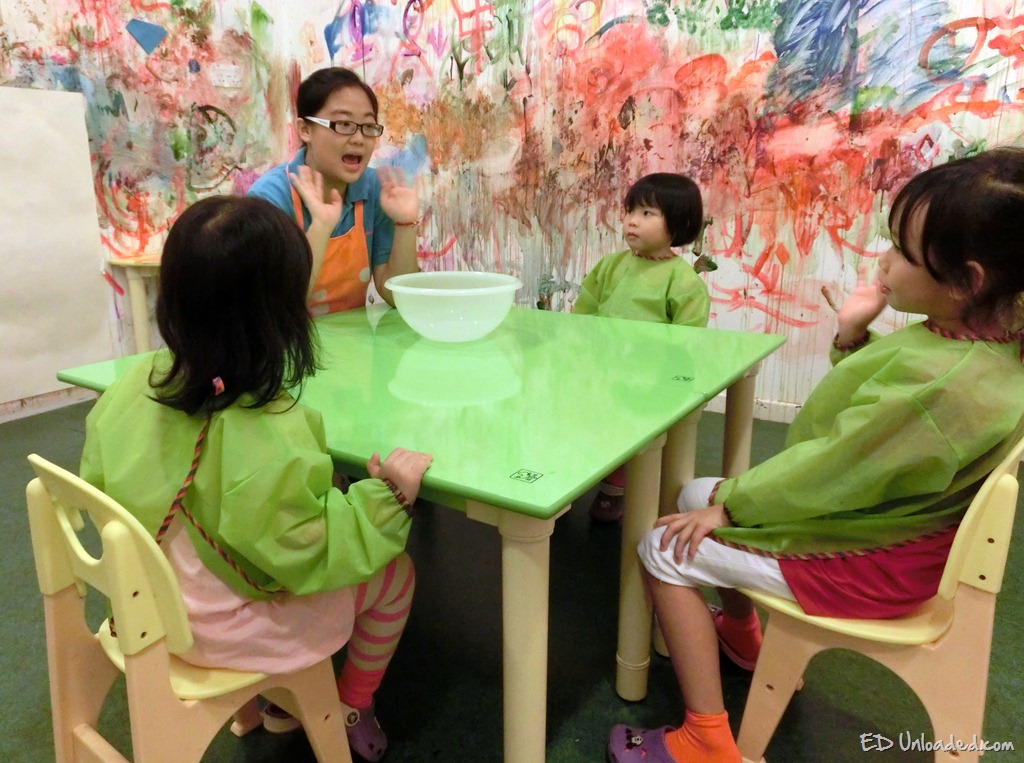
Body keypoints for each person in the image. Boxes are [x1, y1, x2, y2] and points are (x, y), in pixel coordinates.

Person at [607, 146, 1024, 763]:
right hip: (888, 528)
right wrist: (851, 333)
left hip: (866, 559)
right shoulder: (983, 339)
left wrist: (732, 507)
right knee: (694, 493)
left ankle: (706, 739)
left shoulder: (944, 386)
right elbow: (878, 422)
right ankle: (743, 636)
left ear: (968, 281)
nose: (884, 261)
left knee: (662, 549)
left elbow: (833, 469)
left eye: (902, 252)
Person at [79, 195, 432, 762]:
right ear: (281, 318)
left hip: (146, 610)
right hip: (228, 631)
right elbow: (309, 547)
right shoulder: (267, 430)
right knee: (398, 576)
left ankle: (266, 702)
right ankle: (351, 703)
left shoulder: (131, 388)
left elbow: (107, 483)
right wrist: (386, 498)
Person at [573, 172, 712, 522]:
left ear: (678, 223)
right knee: (595, 423)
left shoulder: (683, 280)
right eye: (630, 211)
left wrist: (668, 377)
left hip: (649, 379)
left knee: (634, 433)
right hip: (603, 369)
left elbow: (688, 338)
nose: (632, 220)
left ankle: (616, 488)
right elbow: (585, 311)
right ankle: (580, 477)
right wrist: (580, 349)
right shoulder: (611, 265)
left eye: (647, 213)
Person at [248, 66, 420, 315]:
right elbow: (277, 307)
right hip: (291, 336)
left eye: (368, 126)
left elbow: (397, 297)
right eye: (344, 124)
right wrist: (320, 226)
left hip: (354, 338)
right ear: (305, 129)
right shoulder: (269, 199)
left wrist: (405, 223)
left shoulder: (377, 190)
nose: (359, 139)